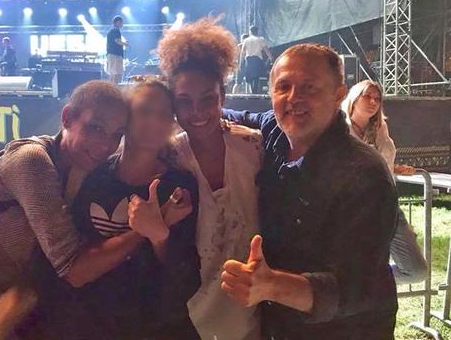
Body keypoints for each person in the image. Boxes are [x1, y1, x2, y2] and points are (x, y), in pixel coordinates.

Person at [0, 81, 130, 340]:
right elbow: (72, 265)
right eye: (95, 128)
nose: (105, 145)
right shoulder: (32, 159)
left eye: (117, 134)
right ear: (67, 118)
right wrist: (144, 229)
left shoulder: (79, 167)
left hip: (12, 299)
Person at [221, 44, 398, 339]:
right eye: (284, 87)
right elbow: (224, 114)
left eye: (309, 87)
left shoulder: (365, 175)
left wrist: (272, 285)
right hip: (280, 327)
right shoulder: (274, 130)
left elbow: (356, 289)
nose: (294, 98)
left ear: (339, 95)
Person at [67, 79, 201, 339]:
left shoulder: (179, 187)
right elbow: (75, 265)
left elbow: (187, 281)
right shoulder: (93, 175)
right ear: (125, 118)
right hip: (93, 325)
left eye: (164, 114)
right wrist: (150, 227)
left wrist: (160, 237)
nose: (154, 121)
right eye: (145, 110)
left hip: (159, 329)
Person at [157, 18, 264, 340]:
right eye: (184, 101)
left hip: (251, 306)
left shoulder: (254, 147)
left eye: (208, 99)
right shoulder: (168, 157)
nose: (197, 111)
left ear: (223, 96)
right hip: (188, 313)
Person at [342, 80, 427, 284]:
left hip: (387, 204)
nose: (373, 102)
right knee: (356, 263)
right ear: (354, 98)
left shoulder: (380, 127)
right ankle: (359, 285)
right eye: (367, 96)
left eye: (377, 98)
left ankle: (366, 283)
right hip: (354, 210)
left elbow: (379, 161)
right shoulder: (339, 129)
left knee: (416, 271)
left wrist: (395, 168)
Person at [240, 26, 273, 94]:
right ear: (257, 31)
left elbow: (242, 53)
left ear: (250, 31)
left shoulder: (246, 40)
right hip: (257, 59)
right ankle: (254, 92)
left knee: (250, 76)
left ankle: (253, 92)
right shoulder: (260, 39)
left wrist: (241, 62)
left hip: (248, 60)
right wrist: (271, 57)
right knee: (256, 76)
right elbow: (266, 49)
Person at [106, 15, 127, 84]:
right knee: (117, 74)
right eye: (121, 22)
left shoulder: (111, 31)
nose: (122, 24)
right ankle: (116, 88)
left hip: (111, 55)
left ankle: (111, 88)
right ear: (117, 22)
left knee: (112, 74)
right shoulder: (116, 30)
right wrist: (125, 44)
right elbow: (117, 41)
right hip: (116, 55)